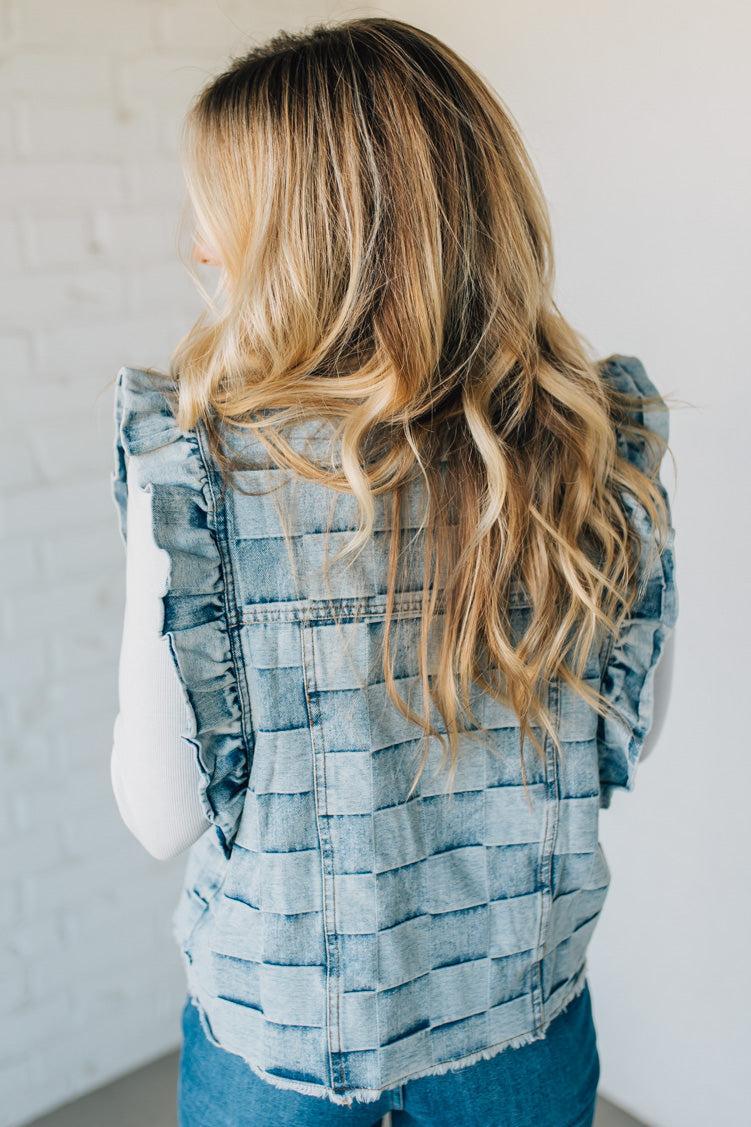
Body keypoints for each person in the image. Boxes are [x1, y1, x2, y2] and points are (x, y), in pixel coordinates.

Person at [109, 17, 678, 1127]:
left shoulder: (200, 471)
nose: (197, 246)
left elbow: (156, 811)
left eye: (220, 213)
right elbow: (632, 733)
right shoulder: (594, 438)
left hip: (279, 1037)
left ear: (307, 236)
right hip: (520, 1009)